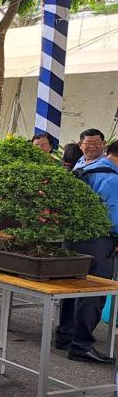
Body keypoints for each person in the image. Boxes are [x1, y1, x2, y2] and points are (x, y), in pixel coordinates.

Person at [55, 140, 118, 364]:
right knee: (94, 291)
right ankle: (81, 345)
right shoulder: (112, 179)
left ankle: (65, 335)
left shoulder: (85, 170)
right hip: (98, 241)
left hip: (74, 239)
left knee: (73, 287)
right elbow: (114, 219)